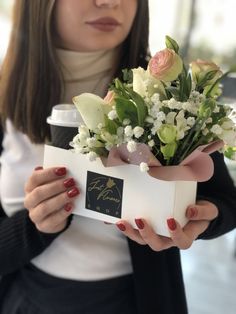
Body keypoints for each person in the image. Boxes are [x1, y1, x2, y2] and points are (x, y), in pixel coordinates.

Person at [0, 0, 235, 313]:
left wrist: (202, 220)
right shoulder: (5, 96)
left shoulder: (168, 93)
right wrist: (35, 226)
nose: (109, 2)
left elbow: (225, 202)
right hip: (27, 300)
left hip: (138, 300)